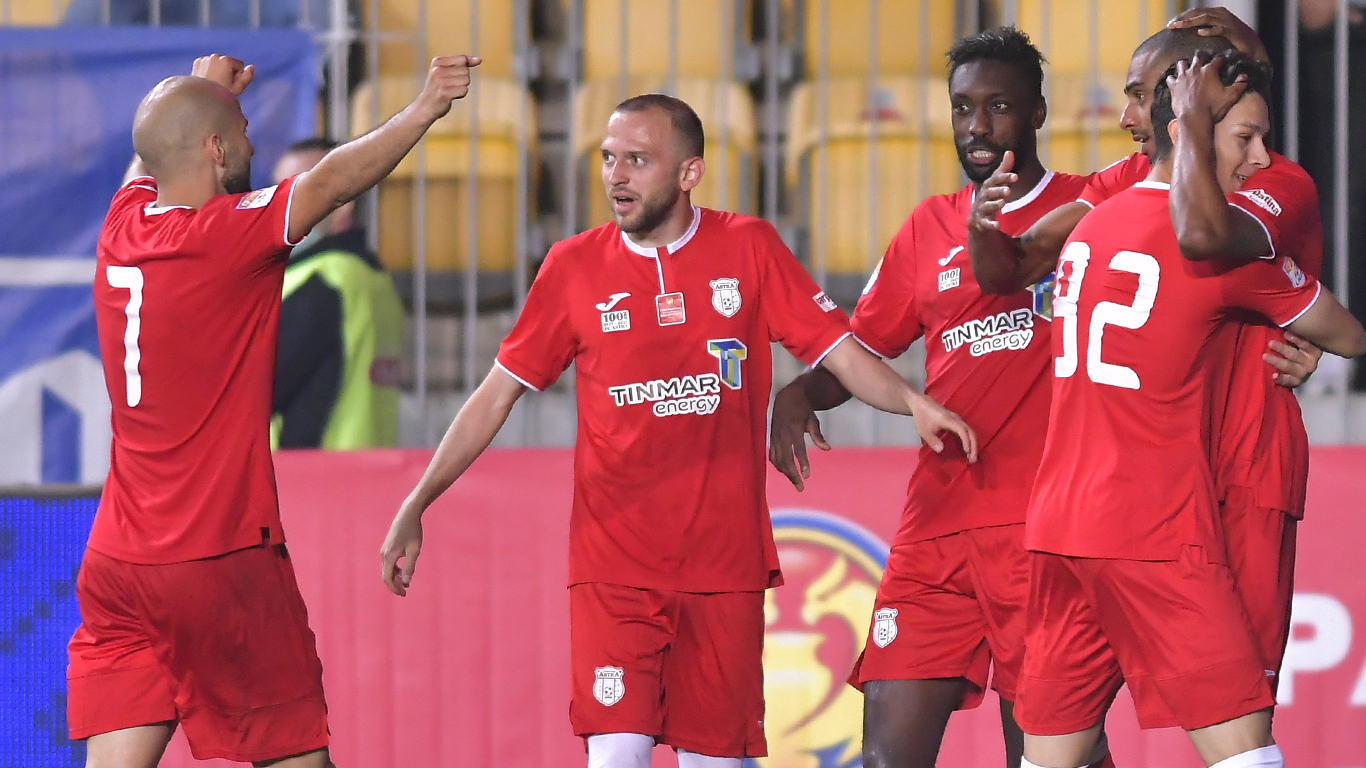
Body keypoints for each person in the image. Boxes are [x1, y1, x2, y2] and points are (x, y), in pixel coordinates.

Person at [379, 93, 978, 768]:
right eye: (608, 159)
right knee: (618, 757)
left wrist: (912, 403)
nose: (616, 177)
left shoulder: (748, 247)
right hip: (615, 572)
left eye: (637, 160)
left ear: (689, 173)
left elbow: (836, 350)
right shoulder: (573, 267)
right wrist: (417, 500)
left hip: (724, 571)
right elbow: (495, 396)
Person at [67, 51, 480, 768]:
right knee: (294, 757)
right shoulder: (223, 238)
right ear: (216, 149)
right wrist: (424, 109)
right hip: (216, 556)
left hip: (117, 563)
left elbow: (150, 160)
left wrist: (204, 93)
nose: (254, 148)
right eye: (243, 134)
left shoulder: (120, 227)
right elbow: (331, 181)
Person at [1012, 52, 1366, 768]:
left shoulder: (1090, 230)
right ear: (1195, 133)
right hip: (1154, 524)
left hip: (1060, 523)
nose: (1261, 157)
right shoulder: (1224, 249)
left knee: (1049, 760)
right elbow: (1349, 332)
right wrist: (1303, 332)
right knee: (1245, 752)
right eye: (1246, 139)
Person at [968, 12, 1325, 703]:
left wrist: (1317, 339)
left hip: (1242, 470)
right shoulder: (1134, 177)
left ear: (1189, 92)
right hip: (1149, 493)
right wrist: (983, 228)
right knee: (1069, 710)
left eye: (1141, 92)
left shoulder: (1279, 183)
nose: (1127, 112)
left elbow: (1201, 233)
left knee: (1237, 709)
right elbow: (1016, 266)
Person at [770, 27, 1102, 768]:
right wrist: (802, 391)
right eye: (962, 109)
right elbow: (864, 351)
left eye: (998, 106)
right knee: (889, 756)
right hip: (938, 528)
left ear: (1039, 113)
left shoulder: (1090, 211)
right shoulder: (928, 227)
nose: (977, 128)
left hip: (1043, 528)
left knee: (1043, 758)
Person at [270, 137, 404, 450]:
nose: (282, 208)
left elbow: (253, 394)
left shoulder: (322, 282)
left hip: (307, 481)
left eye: (296, 193)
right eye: (277, 193)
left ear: (343, 202)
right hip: (365, 477)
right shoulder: (374, 280)